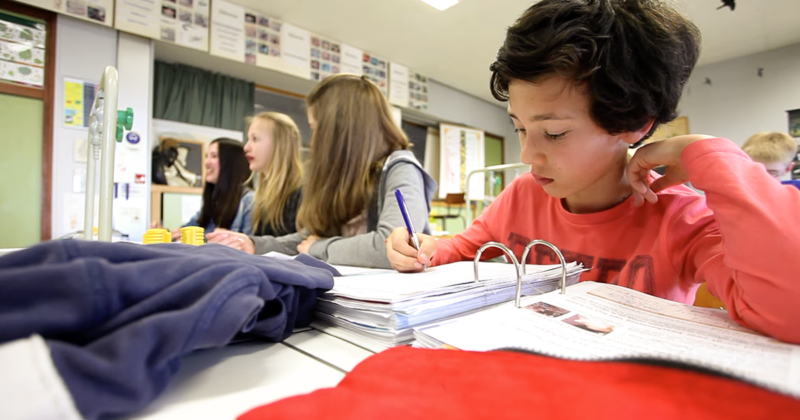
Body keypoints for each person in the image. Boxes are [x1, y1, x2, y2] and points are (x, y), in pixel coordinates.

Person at [386, 0, 800, 344]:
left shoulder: (681, 218)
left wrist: (707, 153)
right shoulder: (524, 194)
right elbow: (459, 249)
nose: (529, 154)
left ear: (635, 124)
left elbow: (788, 312)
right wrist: (422, 248)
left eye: (555, 133)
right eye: (519, 127)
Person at [211, 74, 436, 268]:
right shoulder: (346, 178)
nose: (313, 140)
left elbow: (391, 247)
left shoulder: (400, 168)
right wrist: (253, 244)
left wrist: (320, 248)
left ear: (340, 131)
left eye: (315, 128)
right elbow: (307, 240)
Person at [207, 112, 304, 248]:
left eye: (255, 139)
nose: (246, 147)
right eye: (248, 139)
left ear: (280, 144)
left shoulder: (304, 193)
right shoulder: (262, 198)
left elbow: (305, 242)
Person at [152, 137, 253, 241]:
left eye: (214, 156)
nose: (206, 163)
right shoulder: (215, 199)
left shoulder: (249, 201)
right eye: (206, 156)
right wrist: (166, 234)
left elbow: (249, 248)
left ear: (232, 163)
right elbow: (188, 230)